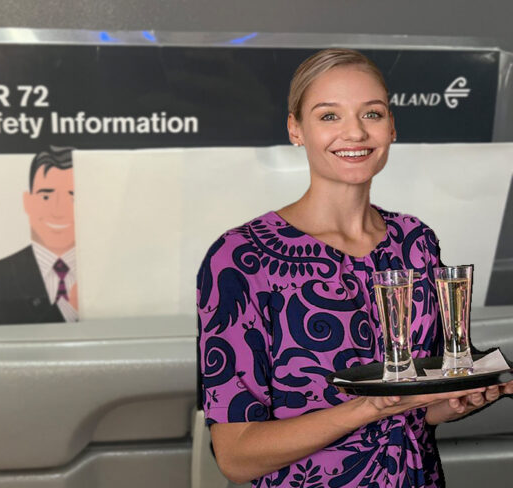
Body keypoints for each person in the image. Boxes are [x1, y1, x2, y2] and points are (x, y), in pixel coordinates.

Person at [197, 48, 513, 487]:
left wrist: (457, 400)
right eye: (329, 116)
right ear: (296, 129)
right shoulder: (241, 258)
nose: (355, 132)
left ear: (392, 126)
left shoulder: (415, 242)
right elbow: (236, 456)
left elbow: (420, 408)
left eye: (372, 113)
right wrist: (368, 407)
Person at [0, 146, 78, 325]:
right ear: (27, 202)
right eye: (46, 197)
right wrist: (70, 308)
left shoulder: (114, 274)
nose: (59, 212)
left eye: (74, 197)